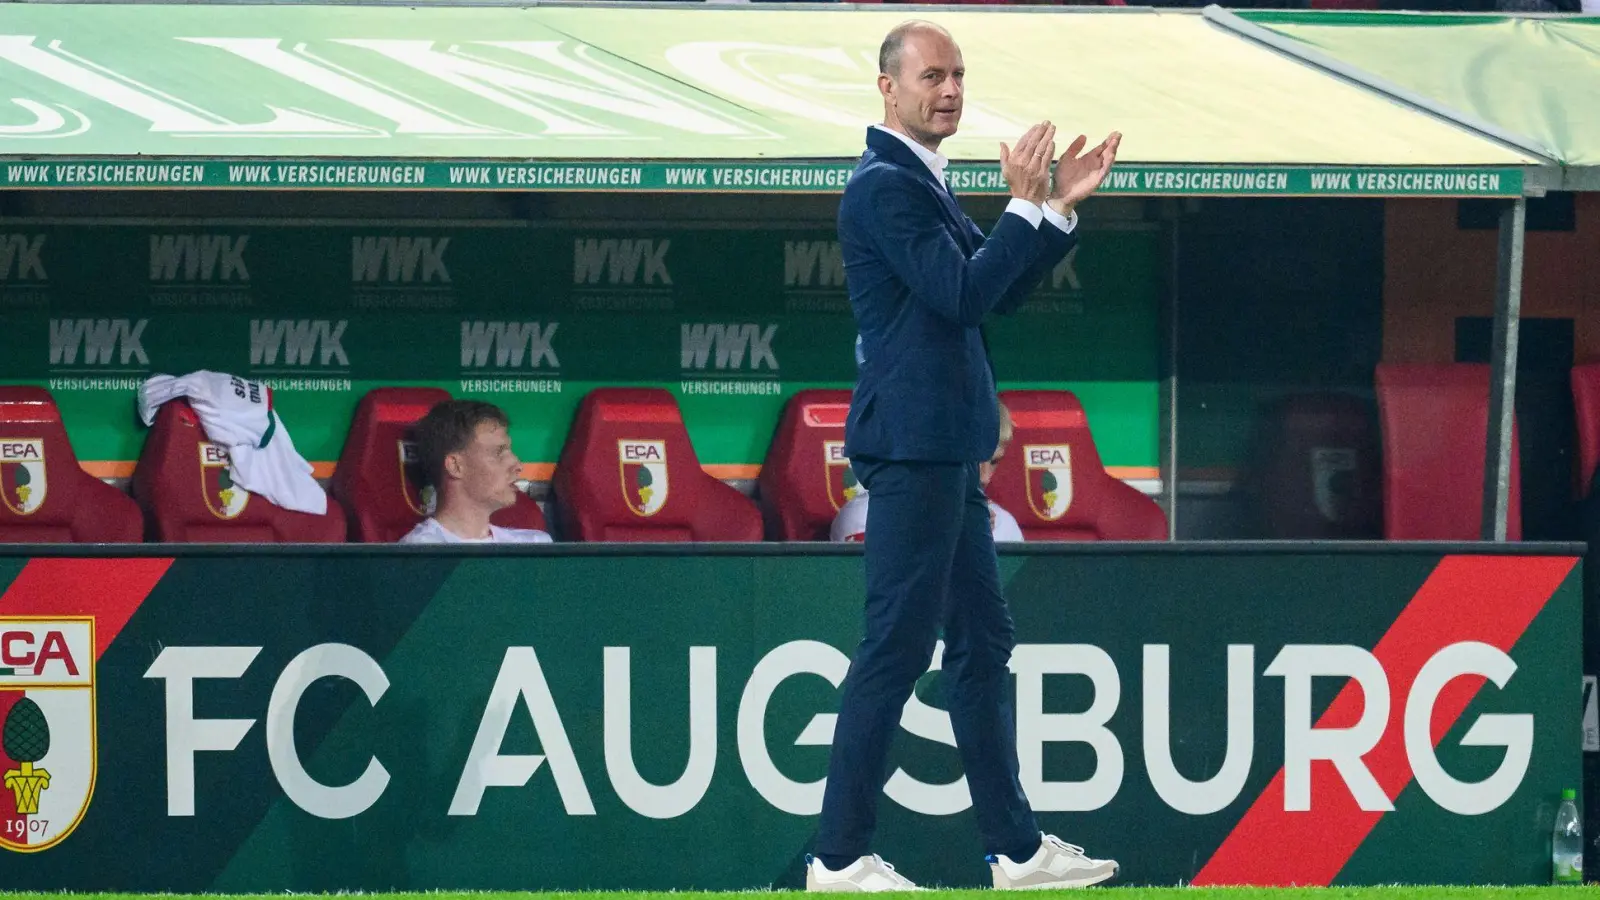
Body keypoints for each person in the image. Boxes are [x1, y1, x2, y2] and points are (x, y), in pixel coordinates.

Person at [807, 19, 1121, 893]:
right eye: (933, 76)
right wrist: (1023, 205)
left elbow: (990, 293)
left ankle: (1015, 851)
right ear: (889, 88)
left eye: (958, 76)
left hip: (945, 452)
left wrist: (1053, 210)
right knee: (897, 651)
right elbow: (962, 291)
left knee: (982, 644)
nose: (949, 90)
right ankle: (837, 859)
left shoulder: (919, 179)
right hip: (914, 452)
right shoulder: (884, 186)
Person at [831, 402, 1025, 543]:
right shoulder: (866, 516)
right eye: (971, 461)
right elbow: (869, 593)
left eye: (994, 462)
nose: (984, 477)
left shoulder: (1004, 526)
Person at [398, 400, 552, 544]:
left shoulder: (535, 544)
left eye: (509, 451)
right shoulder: (420, 552)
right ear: (455, 466)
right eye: (498, 453)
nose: (517, 465)